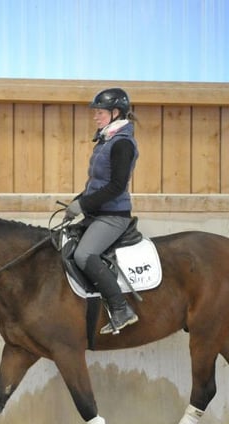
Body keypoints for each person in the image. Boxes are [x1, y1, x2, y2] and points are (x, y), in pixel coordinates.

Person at [64, 87, 140, 335]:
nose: (95, 116)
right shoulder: (105, 140)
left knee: (84, 255)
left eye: (100, 112)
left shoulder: (122, 144)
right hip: (97, 212)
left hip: (113, 216)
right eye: (95, 112)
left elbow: (116, 187)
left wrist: (83, 205)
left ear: (115, 112)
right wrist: (77, 201)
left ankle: (121, 309)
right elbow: (96, 182)